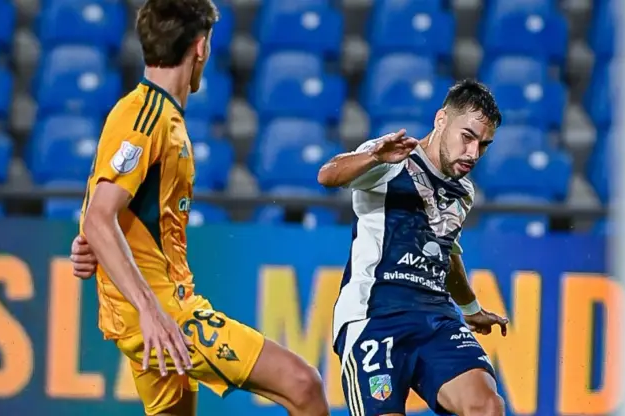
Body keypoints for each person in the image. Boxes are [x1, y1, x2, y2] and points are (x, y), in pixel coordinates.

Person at [69, 1, 329, 415]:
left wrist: (91, 245)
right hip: (162, 315)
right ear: (201, 47)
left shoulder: (149, 113)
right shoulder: (145, 116)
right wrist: (151, 311)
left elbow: (105, 209)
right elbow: (100, 215)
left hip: (154, 311)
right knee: (303, 385)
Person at [316, 79, 509, 416]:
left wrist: (471, 308)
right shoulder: (392, 156)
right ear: (441, 120)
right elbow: (328, 175)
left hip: (436, 317)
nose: (473, 153)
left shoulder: (463, 191)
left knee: (486, 406)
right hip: (376, 316)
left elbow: (446, 253)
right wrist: (375, 155)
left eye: (484, 144)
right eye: (467, 137)